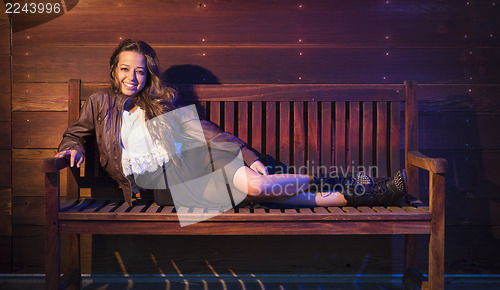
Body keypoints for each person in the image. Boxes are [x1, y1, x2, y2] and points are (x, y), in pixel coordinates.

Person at [55, 39, 408, 210]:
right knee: (264, 194)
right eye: (124, 69)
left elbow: (207, 133)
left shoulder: (160, 104)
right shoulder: (100, 103)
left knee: (257, 187)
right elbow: (76, 132)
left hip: (197, 162)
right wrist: (70, 148)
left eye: (140, 70)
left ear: (148, 75)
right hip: (169, 190)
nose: (132, 77)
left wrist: (249, 155)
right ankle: (358, 188)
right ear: (114, 72)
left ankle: (356, 188)